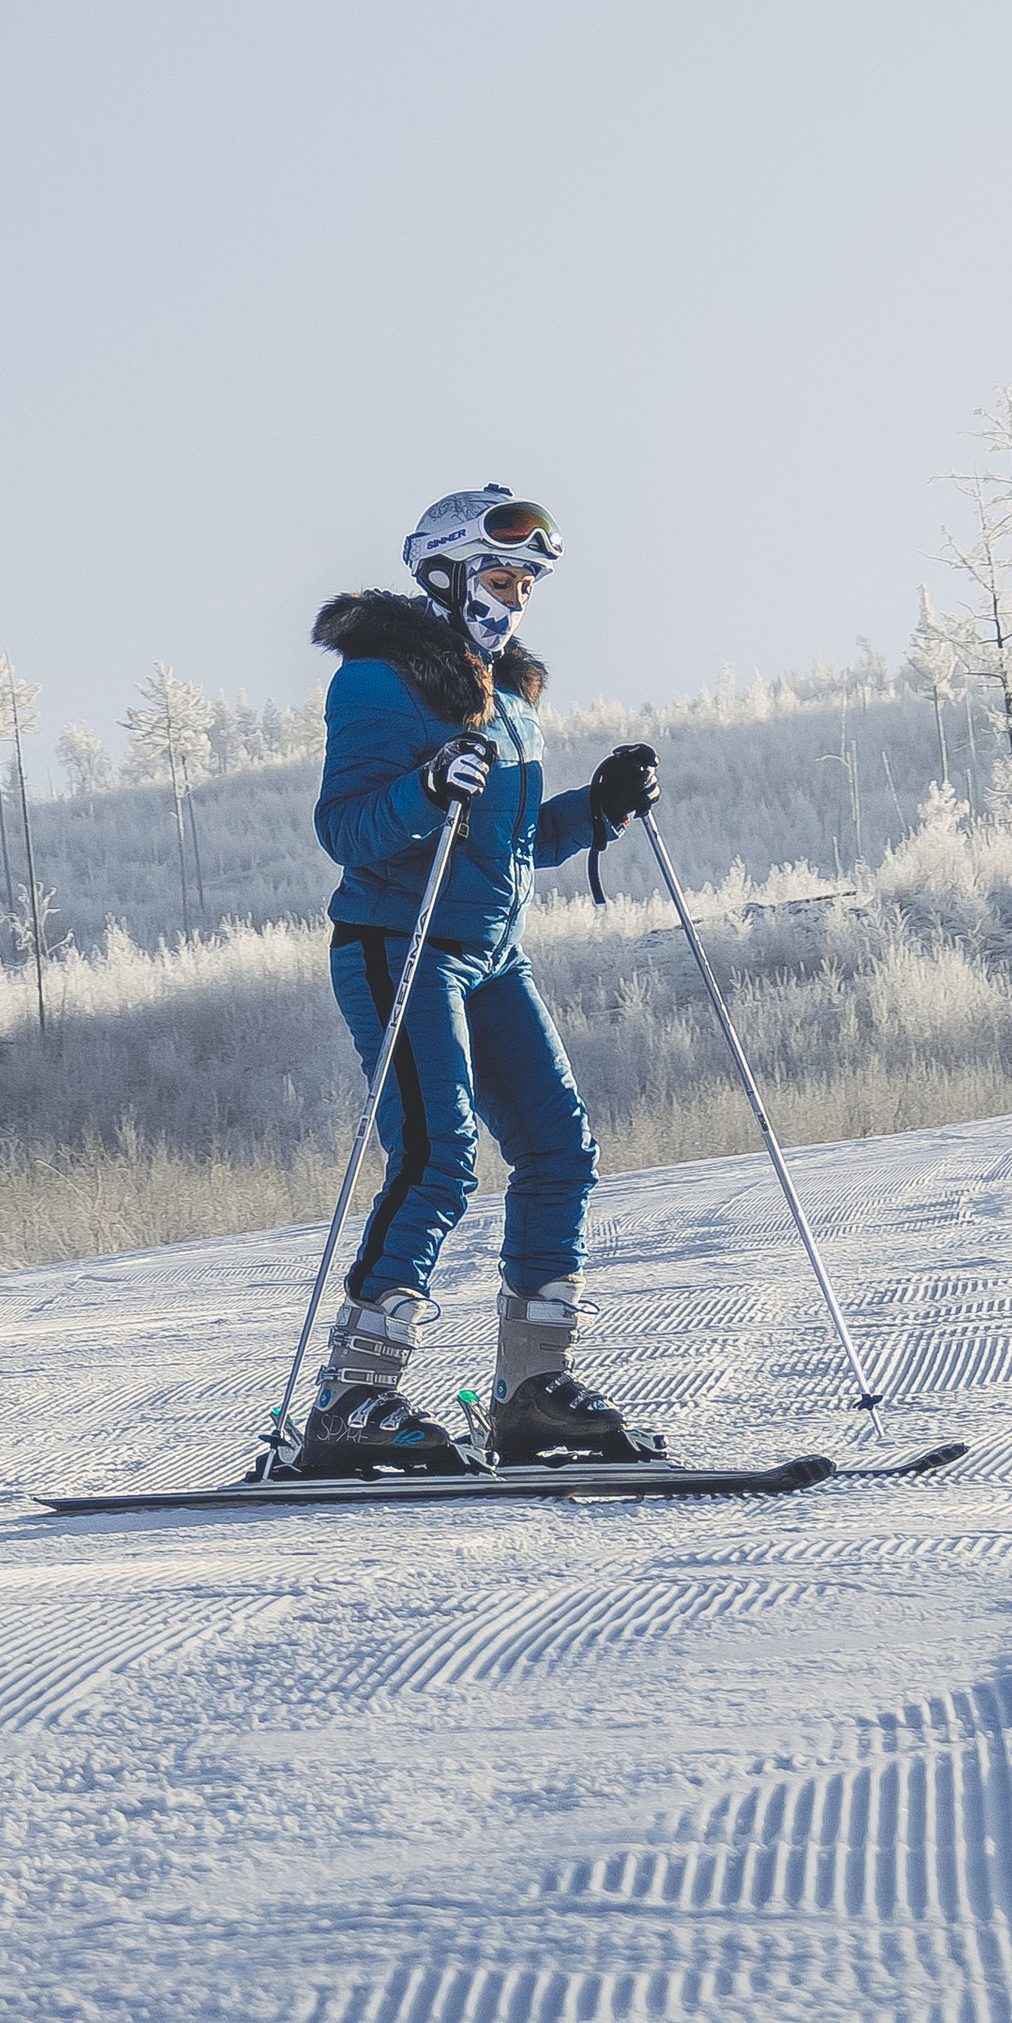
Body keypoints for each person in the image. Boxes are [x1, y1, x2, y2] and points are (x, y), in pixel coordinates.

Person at [300, 486, 663, 1477]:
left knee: (558, 1146)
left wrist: (604, 807)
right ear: (445, 573)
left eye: (527, 584)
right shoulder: (376, 682)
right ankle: (353, 1399)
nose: (516, 599)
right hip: (397, 942)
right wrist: (422, 790)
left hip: (492, 953)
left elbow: (515, 841)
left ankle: (530, 1393)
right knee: (439, 1154)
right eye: (502, 578)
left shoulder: (511, 704)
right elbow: (347, 829)